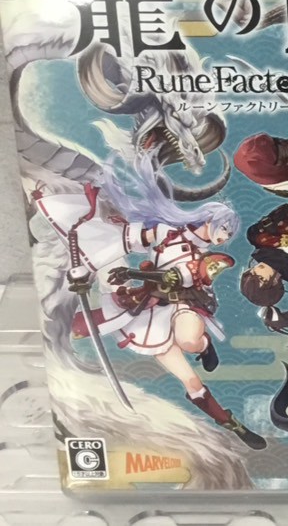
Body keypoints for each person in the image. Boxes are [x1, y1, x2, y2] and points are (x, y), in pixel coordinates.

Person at [34, 154, 266, 449]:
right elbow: (123, 241)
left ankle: (205, 349)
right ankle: (232, 424)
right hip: (149, 307)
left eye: (228, 234)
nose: (224, 237)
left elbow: (178, 278)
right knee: (189, 380)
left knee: (190, 341)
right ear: (211, 220)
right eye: (224, 229)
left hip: (184, 304)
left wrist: (132, 272)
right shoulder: (165, 232)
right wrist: (89, 263)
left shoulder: (207, 257)